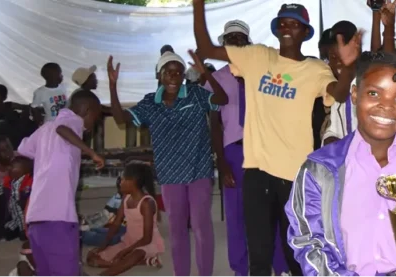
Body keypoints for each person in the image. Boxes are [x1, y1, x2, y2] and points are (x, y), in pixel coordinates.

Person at [192, 1, 361, 276]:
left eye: (293, 24)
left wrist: (350, 68)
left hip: (295, 176)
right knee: (258, 256)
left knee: (296, 254)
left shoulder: (316, 68)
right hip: (257, 172)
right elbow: (207, 47)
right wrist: (198, 6)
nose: (286, 28)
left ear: (304, 31)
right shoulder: (256, 56)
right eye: (282, 23)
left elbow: (339, 94)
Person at [285, 51, 396, 277]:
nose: (386, 106)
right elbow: (307, 240)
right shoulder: (320, 170)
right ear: (354, 94)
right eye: (374, 93)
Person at [106, 50, 227, 277]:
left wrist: (206, 76)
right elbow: (121, 119)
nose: (173, 76)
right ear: (159, 76)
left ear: (183, 76)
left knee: (201, 227)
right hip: (170, 175)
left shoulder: (195, 94)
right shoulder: (150, 102)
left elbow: (222, 99)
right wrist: (112, 86)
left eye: (178, 72)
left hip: (198, 170)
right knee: (177, 229)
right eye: (168, 72)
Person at [16, 89, 105, 277]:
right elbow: (62, 129)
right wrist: (91, 153)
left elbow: (23, 149)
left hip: (36, 218)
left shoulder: (45, 128)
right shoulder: (73, 121)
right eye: (95, 119)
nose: (92, 126)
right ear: (86, 110)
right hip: (58, 218)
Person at [202, 18, 254, 277]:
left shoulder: (262, 74)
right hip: (233, 151)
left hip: (262, 152)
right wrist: (221, 163)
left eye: (240, 39)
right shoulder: (215, 80)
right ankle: (239, 269)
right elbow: (214, 125)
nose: (235, 44)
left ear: (248, 43)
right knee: (235, 216)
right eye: (230, 39)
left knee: (265, 212)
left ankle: (273, 266)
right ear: (223, 45)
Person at [322, 19, 396, 146]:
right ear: (354, 93)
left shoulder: (392, 97)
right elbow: (335, 130)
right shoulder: (343, 89)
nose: (340, 61)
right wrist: (330, 139)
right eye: (334, 57)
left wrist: (387, 25)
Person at [87, 163, 165, 276]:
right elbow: (116, 224)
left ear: (133, 181)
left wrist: (125, 252)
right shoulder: (126, 198)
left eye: (123, 179)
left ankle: (104, 274)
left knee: (135, 254)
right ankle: (144, 262)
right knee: (91, 257)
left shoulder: (147, 203)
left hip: (146, 245)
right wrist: (103, 245)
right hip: (128, 242)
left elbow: (147, 239)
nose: (120, 182)